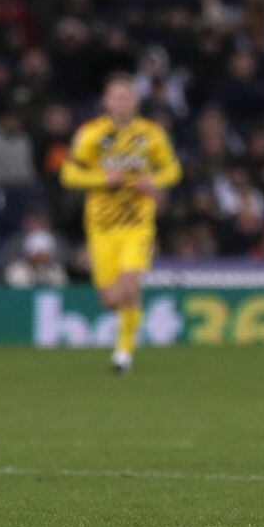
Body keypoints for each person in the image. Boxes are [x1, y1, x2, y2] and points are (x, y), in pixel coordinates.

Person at [60, 74, 181, 372]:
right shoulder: (90, 134)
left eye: (127, 97)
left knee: (129, 282)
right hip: (101, 226)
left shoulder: (151, 134)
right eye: (116, 97)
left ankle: (123, 353)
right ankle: (126, 340)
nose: (122, 103)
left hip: (137, 223)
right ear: (106, 102)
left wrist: (152, 181)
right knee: (110, 298)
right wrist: (103, 179)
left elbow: (173, 170)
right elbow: (69, 175)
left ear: (136, 102)